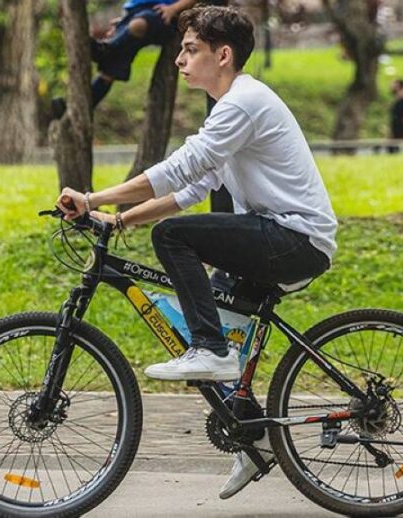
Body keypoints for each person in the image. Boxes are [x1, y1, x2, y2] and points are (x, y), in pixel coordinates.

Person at [55, 5, 337, 499]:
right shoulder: (231, 106)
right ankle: (254, 439)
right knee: (209, 315)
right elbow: (191, 189)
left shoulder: (242, 103)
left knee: (173, 237)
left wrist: (93, 198)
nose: (179, 60)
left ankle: (211, 351)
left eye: (190, 50)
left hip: (295, 238)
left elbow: (179, 169)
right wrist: (118, 221)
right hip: (279, 235)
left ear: (222, 55)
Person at [52, 0, 209, 118]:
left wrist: (173, 8)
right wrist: (123, 21)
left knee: (137, 25)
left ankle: (106, 49)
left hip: (163, 14)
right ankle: (74, 109)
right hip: (134, 14)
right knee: (110, 70)